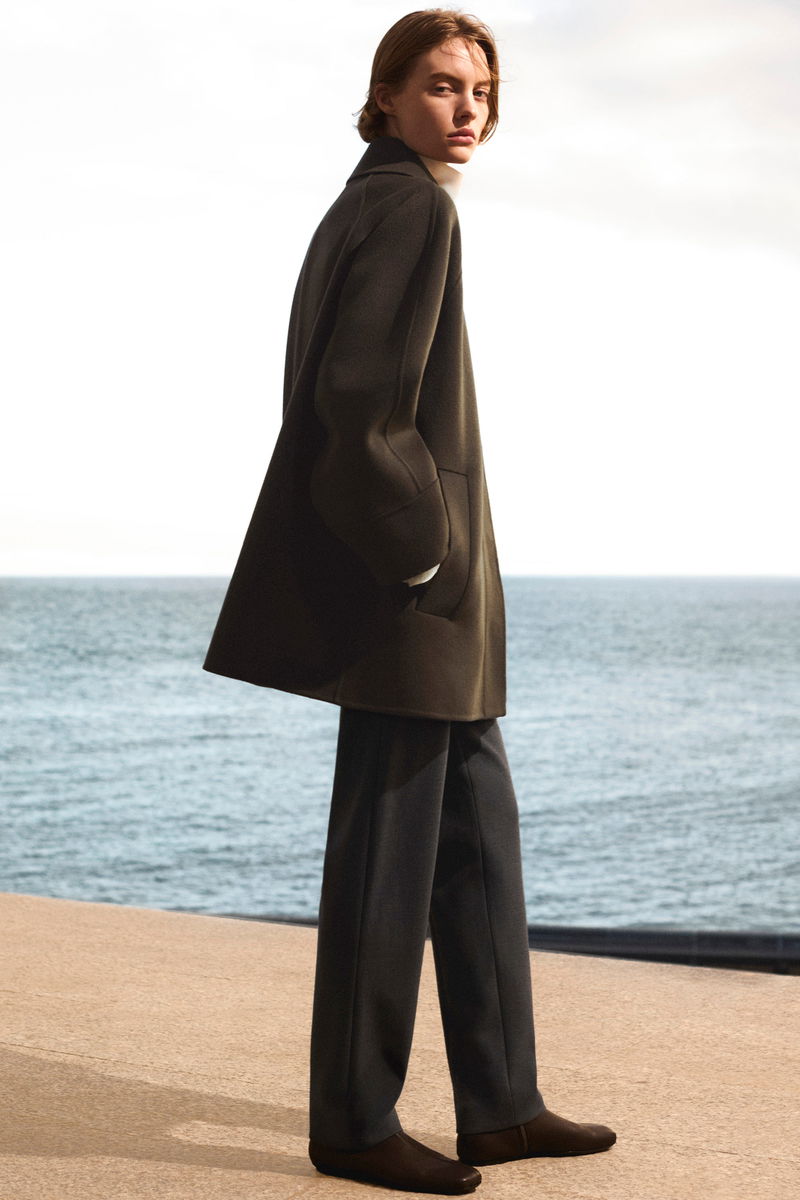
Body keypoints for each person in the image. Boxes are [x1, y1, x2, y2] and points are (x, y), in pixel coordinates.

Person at [203, 9, 616, 1194]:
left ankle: (500, 1104)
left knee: (476, 844)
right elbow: (356, 403)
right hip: (410, 595)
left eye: (480, 89)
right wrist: (421, 552)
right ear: (383, 95)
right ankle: (352, 1122)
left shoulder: (373, 202)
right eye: (440, 85)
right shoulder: (407, 207)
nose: (466, 108)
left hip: (436, 603)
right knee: (386, 861)